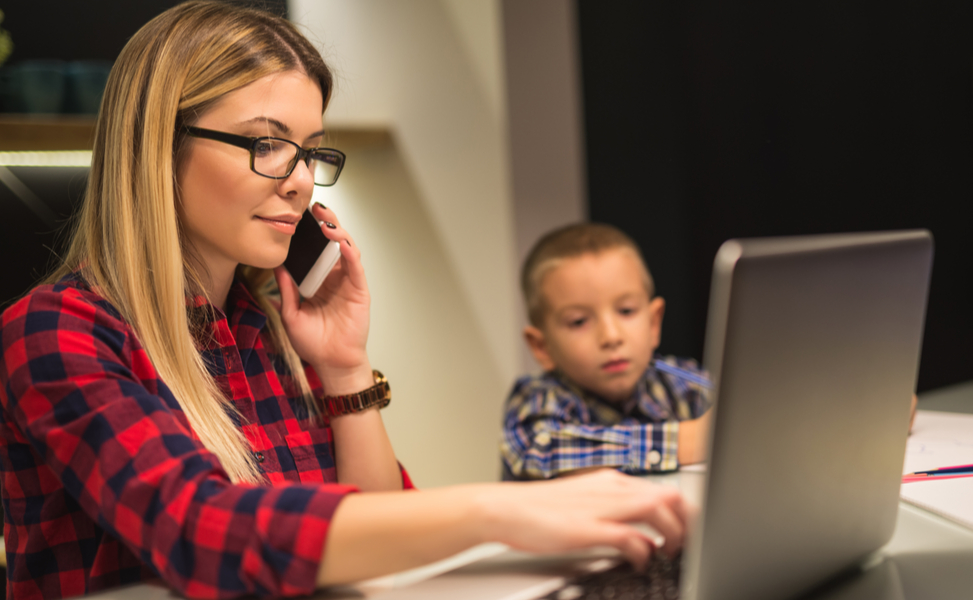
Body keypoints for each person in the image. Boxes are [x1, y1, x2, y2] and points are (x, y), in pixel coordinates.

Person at [0, 3, 688, 599]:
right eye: (268, 144)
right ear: (160, 146)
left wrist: (345, 367)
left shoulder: (263, 327)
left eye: (310, 153)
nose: (300, 182)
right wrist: (498, 510)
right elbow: (198, 531)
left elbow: (379, 552)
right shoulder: (57, 333)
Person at [501, 223, 713, 480]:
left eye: (626, 311)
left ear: (653, 323)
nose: (611, 337)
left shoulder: (681, 378)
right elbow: (541, 448)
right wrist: (686, 441)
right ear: (541, 347)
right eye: (579, 321)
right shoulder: (538, 398)